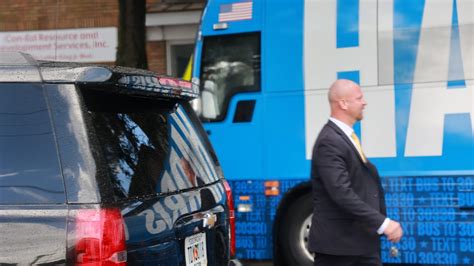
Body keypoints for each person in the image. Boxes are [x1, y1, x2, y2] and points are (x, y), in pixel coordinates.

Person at [308, 79, 403, 266]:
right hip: (340, 247)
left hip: (359, 242)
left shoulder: (344, 137)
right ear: (343, 103)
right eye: (359, 98)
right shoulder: (330, 141)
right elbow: (341, 193)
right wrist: (383, 223)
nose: (364, 102)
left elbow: (360, 186)